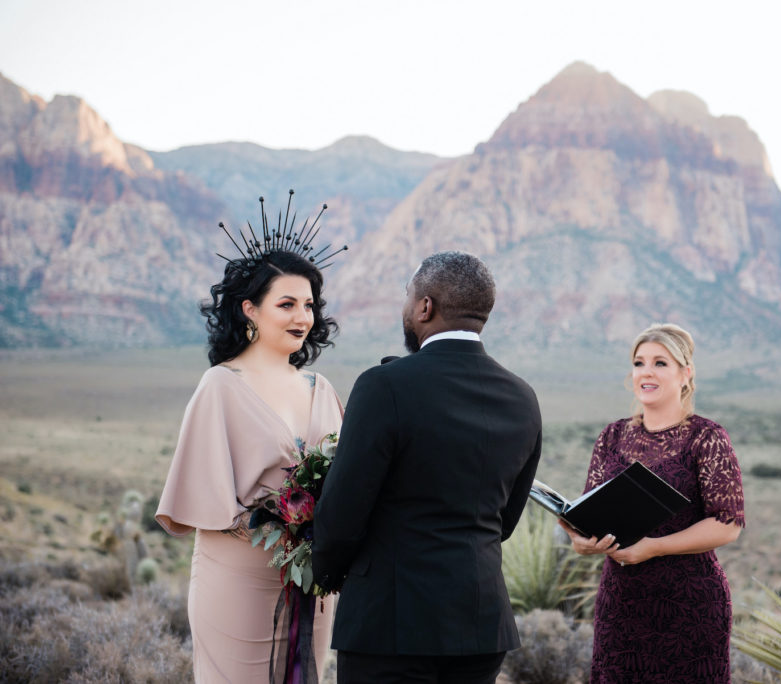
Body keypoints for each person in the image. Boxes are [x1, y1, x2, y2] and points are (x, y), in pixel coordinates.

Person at [312, 250, 543, 684]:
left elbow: (342, 510)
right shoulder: (523, 397)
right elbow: (505, 520)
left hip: (390, 626)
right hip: (481, 626)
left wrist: (326, 572)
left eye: (407, 296)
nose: (406, 307)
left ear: (425, 307)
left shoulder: (383, 386)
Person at [155, 196, 345, 683]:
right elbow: (206, 500)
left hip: (314, 584)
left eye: (308, 305)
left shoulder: (322, 390)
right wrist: (279, 521)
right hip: (237, 578)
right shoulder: (220, 385)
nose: (302, 316)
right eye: (286, 304)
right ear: (249, 310)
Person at [559, 323, 745, 683]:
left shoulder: (706, 437)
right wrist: (579, 539)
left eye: (661, 363)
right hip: (621, 602)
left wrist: (654, 548)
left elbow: (728, 524)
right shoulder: (612, 436)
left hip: (691, 603)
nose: (646, 372)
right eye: (639, 362)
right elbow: (588, 511)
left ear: (685, 374)